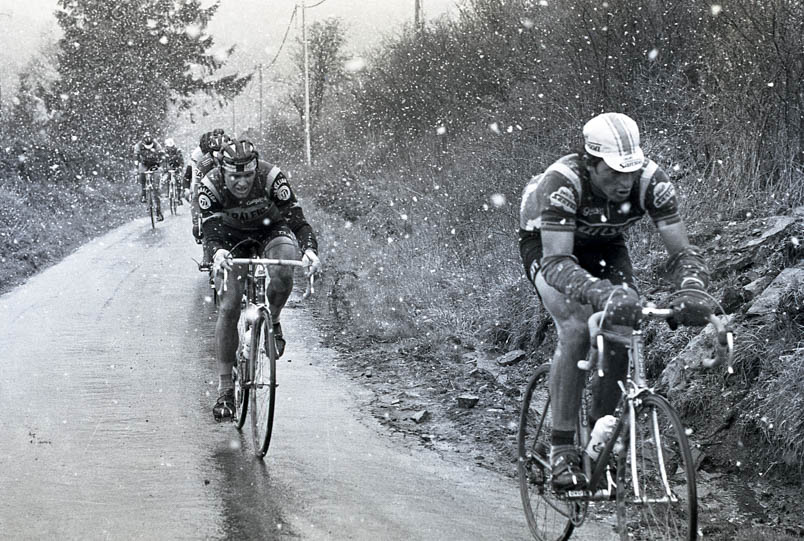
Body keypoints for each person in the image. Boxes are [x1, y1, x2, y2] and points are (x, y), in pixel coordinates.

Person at [518, 112, 713, 490]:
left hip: (607, 244)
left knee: (623, 324)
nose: (624, 183)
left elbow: (682, 253)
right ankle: (561, 449)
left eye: (630, 172)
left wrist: (692, 288)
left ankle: (598, 438)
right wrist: (602, 293)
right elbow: (558, 264)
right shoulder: (562, 182)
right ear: (591, 165)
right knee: (575, 327)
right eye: (613, 173)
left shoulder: (651, 183)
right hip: (549, 244)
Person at [198, 139, 322, 421]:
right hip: (230, 239)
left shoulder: (271, 177)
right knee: (229, 306)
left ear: (255, 170)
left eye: (247, 176)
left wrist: (310, 250)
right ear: (223, 172)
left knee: (283, 267)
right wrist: (217, 252)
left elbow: (296, 220)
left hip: (269, 229)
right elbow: (210, 229)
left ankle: (274, 320)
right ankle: (226, 388)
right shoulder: (211, 184)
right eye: (234, 177)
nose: (241, 183)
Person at [133, 132, 165, 221]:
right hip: (144, 164)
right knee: (141, 174)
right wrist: (136, 169)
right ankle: (143, 194)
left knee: (156, 189)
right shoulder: (138, 145)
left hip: (155, 164)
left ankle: (158, 212)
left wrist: (162, 162)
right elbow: (136, 157)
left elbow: (162, 153)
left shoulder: (156, 143)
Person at [162, 138, 184, 205]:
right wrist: (164, 168)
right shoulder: (164, 152)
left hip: (176, 167)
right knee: (165, 179)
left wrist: (180, 167)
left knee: (178, 180)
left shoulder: (178, 151)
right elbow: (163, 161)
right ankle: (167, 192)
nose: (170, 149)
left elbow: (181, 160)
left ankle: (179, 197)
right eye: (169, 147)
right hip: (168, 168)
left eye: (171, 147)